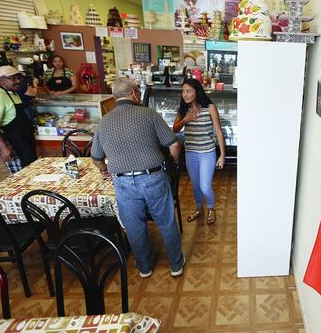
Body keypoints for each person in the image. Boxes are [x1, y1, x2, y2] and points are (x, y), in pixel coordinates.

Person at [91, 77, 185, 278]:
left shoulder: (104, 121)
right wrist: (174, 161)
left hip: (123, 182)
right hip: (153, 177)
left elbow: (96, 157)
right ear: (134, 94)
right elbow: (174, 144)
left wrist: (103, 170)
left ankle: (144, 267)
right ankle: (176, 265)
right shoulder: (148, 113)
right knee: (166, 222)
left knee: (134, 227)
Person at [173, 78, 225, 225]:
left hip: (207, 153)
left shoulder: (210, 108)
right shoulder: (183, 110)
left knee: (205, 185)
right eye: (183, 91)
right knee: (195, 184)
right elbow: (175, 129)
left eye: (188, 91)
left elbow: (219, 132)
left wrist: (222, 155)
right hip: (190, 153)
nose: (185, 94)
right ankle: (198, 208)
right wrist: (185, 120)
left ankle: (211, 208)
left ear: (197, 91)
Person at [0, 65, 37, 173]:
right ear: (1, 80)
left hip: (23, 139)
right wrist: (4, 147)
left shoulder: (11, 92)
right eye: (13, 78)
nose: (18, 81)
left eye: (19, 77)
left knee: (32, 169)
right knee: (20, 175)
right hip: (12, 143)